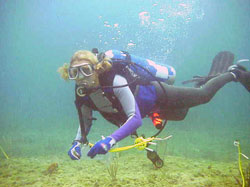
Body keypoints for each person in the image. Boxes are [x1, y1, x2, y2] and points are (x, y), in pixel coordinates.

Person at [58, 49, 250, 160]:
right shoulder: (82, 93)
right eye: (74, 73)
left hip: (158, 95)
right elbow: (85, 122)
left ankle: (235, 73)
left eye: (85, 70)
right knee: (182, 114)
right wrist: (77, 143)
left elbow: (134, 119)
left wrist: (110, 140)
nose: (81, 78)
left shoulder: (114, 80)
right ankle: (207, 80)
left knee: (203, 95)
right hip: (150, 109)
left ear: (96, 68)